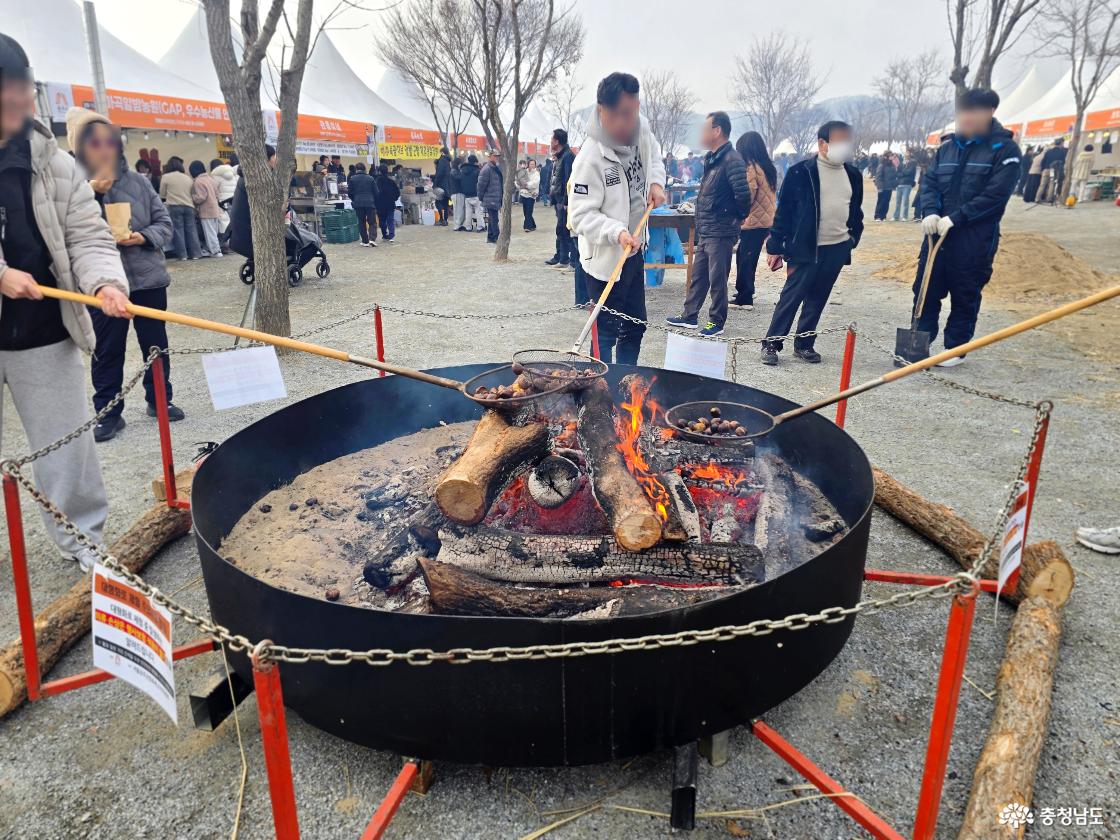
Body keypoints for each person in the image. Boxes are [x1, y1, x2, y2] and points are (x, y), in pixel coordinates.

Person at [0, 33, 131, 569]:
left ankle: (84, 537)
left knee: (66, 445)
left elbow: (87, 236)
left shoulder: (54, 164)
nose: (23, 106)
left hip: (42, 330)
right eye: (9, 98)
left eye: (25, 93)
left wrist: (105, 285)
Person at [67, 107, 185, 443]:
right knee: (107, 348)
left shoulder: (140, 183)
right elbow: (68, 233)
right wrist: (96, 192)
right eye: (95, 142)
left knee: (155, 344)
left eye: (110, 141)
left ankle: (160, 400)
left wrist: (143, 236)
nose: (105, 149)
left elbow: (165, 224)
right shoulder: (72, 187)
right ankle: (107, 412)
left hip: (147, 278)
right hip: (101, 285)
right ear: (79, 147)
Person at [916, 88, 1020, 367]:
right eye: (962, 111)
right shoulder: (947, 147)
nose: (965, 118)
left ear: (989, 113)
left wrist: (958, 218)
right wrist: (930, 211)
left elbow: (995, 196)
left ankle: (955, 349)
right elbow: (931, 182)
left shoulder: (1005, 150)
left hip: (974, 239)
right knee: (925, 290)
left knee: (965, 294)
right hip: (936, 236)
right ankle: (918, 345)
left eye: (972, 112)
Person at [569, 71, 666, 365]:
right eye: (624, 114)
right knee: (605, 334)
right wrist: (616, 232)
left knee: (635, 326)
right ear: (603, 111)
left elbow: (654, 159)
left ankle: (626, 387)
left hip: (634, 249)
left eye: (635, 111)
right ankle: (600, 393)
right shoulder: (590, 159)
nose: (631, 121)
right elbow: (580, 215)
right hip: (605, 260)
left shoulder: (641, 130)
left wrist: (656, 183)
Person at [761, 120, 863, 366]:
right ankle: (771, 344)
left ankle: (804, 344)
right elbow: (783, 212)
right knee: (791, 297)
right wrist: (775, 247)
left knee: (818, 298)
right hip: (804, 248)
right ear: (822, 143)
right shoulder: (801, 172)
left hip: (836, 248)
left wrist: (852, 239)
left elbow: (856, 212)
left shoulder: (853, 175)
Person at [667, 111, 749, 336]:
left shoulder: (732, 160)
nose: (702, 134)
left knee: (717, 279)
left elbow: (743, 197)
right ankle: (689, 315)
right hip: (706, 228)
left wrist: (732, 221)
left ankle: (716, 321)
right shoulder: (711, 159)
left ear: (717, 131)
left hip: (721, 231)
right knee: (699, 275)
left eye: (705, 129)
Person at [731, 130, 777, 310]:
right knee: (746, 255)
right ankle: (744, 290)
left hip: (754, 221)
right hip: (765, 220)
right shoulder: (767, 166)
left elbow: (747, 195)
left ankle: (745, 298)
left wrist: (738, 213)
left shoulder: (751, 168)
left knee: (746, 259)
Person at [227, 144, 277, 259]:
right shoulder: (257, 180)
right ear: (266, 159)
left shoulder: (246, 176)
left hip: (239, 231)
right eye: (274, 156)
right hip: (249, 233)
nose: (276, 160)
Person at [158, 156, 201, 260]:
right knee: (192, 230)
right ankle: (195, 254)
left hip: (174, 206)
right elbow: (193, 193)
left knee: (178, 231)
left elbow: (162, 194)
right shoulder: (188, 178)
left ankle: (183, 255)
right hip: (189, 206)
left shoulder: (166, 177)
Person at [546, 128, 576, 266]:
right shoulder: (559, 156)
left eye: (552, 139)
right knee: (560, 229)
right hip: (558, 199)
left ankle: (566, 259)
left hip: (564, 201)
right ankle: (560, 256)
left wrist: (566, 201)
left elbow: (568, 180)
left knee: (564, 230)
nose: (550, 142)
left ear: (557, 141)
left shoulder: (568, 156)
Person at [188, 160, 222, 258]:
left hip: (206, 210)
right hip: (215, 208)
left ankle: (216, 251)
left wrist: (192, 197)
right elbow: (217, 194)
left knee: (209, 232)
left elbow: (201, 197)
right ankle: (211, 249)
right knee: (214, 232)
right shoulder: (211, 179)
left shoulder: (198, 181)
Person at [348, 162, 379, 247]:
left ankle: (365, 241)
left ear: (356, 169)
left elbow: (349, 192)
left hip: (358, 203)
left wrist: (354, 199)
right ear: (365, 169)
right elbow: (376, 192)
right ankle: (372, 239)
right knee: (372, 222)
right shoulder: (370, 178)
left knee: (361, 222)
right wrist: (373, 199)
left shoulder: (352, 179)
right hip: (370, 202)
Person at [477, 150, 504, 243]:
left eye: (497, 156)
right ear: (489, 157)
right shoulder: (487, 169)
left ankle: (491, 237)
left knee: (492, 218)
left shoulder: (494, 168)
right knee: (494, 219)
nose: (496, 158)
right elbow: (481, 185)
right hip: (490, 197)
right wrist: (480, 197)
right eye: (494, 156)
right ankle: (495, 237)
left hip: (495, 197)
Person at [375, 163, 400, 242]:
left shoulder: (376, 181)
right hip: (390, 203)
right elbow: (397, 192)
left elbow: (374, 192)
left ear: (379, 171)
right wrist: (394, 199)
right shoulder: (391, 181)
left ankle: (385, 234)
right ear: (387, 171)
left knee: (382, 220)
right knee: (390, 219)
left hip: (380, 204)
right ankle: (391, 235)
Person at [459, 154, 482, 232]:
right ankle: (479, 227)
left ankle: (468, 227)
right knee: (478, 211)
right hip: (476, 193)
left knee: (468, 211)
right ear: (475, 162)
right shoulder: (477, 171)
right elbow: (480, 182)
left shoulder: (462, 170)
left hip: (466, 194)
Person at [1037, 137, 1065, 203]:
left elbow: (1043, 161)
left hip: (1046, 169)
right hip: (1053, 171)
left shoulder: (1048, 151)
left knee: (1042, 185)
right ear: (1061, 143)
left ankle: (1037, 198)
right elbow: (1062, 162)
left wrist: (1042, 169)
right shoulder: (1062, 153)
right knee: (1051, 184)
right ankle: (1049, 199)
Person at [516, 158, 540, 232]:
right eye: (531, 164)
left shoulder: (536, 173)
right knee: (525, 211)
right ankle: (533, 225)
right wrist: (520, 185)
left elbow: (535, 183)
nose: (532, 165)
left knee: (529, 210)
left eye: (533, 164)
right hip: (524, 193)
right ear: (528, 165)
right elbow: (518, 180)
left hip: (532, 194)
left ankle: (527, 226)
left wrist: (526, 185)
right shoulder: (524, 171)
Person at [873, 152, 897, 221]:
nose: (892, 157)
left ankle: (883, 216)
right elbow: (878, 177)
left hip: (889, 187)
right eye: (891, 156)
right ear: (887, 156)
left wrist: (894, 184)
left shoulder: (892, 165)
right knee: (881, 202)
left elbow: (894, 176)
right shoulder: (882, 165)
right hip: (883, 187)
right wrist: (879, 187)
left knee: (886, 202)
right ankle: (877, 216)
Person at [893, 152, 917, 221]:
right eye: (905, 156)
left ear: (909, 157)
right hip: (899, 184)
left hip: (907, 184)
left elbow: (910, 172)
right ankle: (896, 216)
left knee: (905, 202)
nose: (906, 157)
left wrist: (903, 173)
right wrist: (904, 173)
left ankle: (904, 216)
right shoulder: (901, 164)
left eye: (907, 156)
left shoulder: (912, 164)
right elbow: (897, 173)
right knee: (898, 202)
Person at [433, 147, 452, 226]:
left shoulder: (442, 161)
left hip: (441, 185)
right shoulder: (448, 161)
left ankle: (441, 219)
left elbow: (439, 174)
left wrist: (435, 184)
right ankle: (446, 220)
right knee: (446, 203)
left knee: (438, 202)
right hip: (448, 185)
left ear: (442, 152)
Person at [450, 156, 466, 231]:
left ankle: (459, 224)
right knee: (457, 209)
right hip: (457, 192)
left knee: (460, 209)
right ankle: (457, 225)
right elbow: (459, 178)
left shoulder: (456, 171)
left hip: (458, 192)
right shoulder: (454, 171)